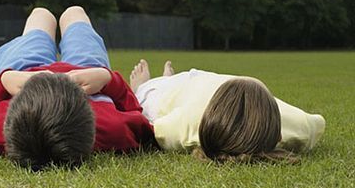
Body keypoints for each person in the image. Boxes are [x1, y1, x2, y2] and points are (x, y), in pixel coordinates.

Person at [0, 6, 154, 169]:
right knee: (74, 12)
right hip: (87, 71)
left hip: (22, 71)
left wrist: (5, 80)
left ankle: (46, 15)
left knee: (40, 15)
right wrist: (106, 78)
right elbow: (140, 119)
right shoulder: (113, 130)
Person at [129, 59, 326, 163]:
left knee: (146, 96)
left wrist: (142, 90)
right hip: (217, 84)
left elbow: (147, 123)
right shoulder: (298, 126)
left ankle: (155, 82)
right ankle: (166, 79)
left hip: (182, 90)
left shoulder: (187, 122)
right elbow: (317, 122)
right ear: (278, 134)